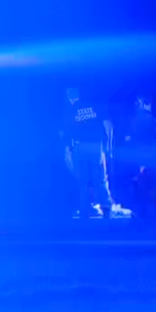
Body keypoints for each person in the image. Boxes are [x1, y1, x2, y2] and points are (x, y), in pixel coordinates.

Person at [61, 87, 117, 219]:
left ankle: (84, 211)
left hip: (79, 147)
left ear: (69, 97)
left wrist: (67, 148)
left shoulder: (71, 110)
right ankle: (106, 209)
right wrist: (108, 147)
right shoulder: (94, 107)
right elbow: (108, 125)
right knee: (100, 178)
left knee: (83, 180)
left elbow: (65, 132)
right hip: (96, 146)